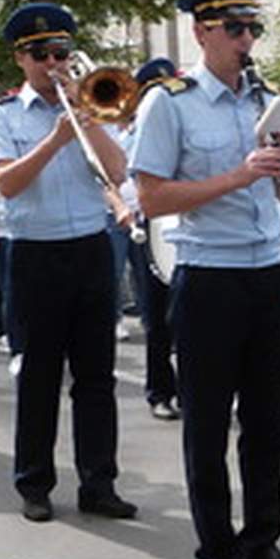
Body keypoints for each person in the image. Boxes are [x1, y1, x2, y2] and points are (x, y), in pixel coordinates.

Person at [132, 0, 280, 559]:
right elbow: (151, 198)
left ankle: (263, 541)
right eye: (235, 28)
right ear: (202, 31)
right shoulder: (169, 102)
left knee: (269, 422)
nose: (247, 40)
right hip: (209, 275)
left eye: (252, 27)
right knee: (208, 424)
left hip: (267, 270)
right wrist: (237, 177)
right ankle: (218, 555)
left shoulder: (265, 103)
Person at [0, 4, 137, 525]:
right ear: (21, 58)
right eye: (43, 54)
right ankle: (34, 484)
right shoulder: (3, 116)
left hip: (90, 248)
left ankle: (100, 483)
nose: (55, 63)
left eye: (62, 53)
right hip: (33, 253)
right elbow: (6, 183)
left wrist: (85, 123)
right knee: (39, 376)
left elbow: (118, 172)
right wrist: (56, 139)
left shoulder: (89, 108)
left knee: (97, 376)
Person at [123, 58, 180, 421]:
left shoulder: (183, 125)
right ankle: (160, 390)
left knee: (192, 316)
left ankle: (193, 389)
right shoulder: (130, 134)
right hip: (149, 227)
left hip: (188, 224)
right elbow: (125, 184)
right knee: (156, 316)